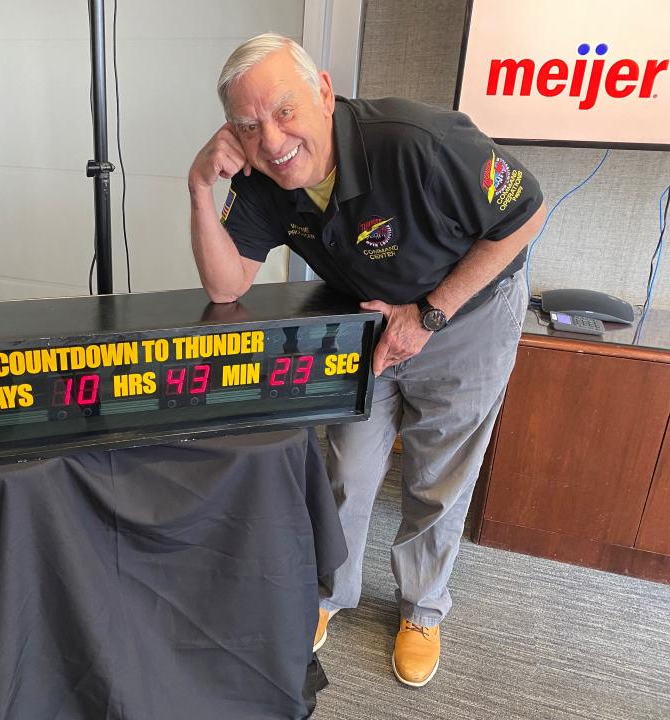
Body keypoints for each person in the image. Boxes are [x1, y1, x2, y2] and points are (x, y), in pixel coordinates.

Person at [188, 33, 546, 688]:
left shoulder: (415, 140)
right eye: (249, 124)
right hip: (368, 320)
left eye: (284, 110)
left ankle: (423, 606)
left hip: (465, 314)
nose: (271, 140)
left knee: (439, 473)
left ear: (323, 91)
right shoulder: (266, 175)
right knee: (348, 465)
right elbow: (225, 286)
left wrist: (430, 315)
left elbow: (524, 213)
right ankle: (329, 592)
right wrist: (196, 188)